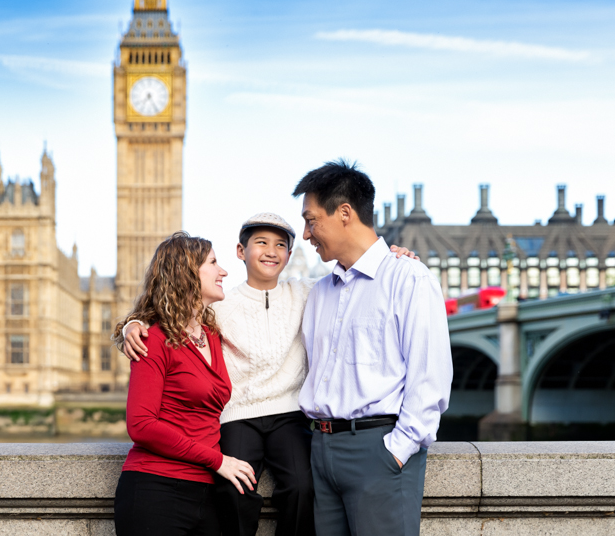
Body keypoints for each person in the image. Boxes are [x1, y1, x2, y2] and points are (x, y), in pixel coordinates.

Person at [119, 214, 417, 536]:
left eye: (280, 245)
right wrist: (131, 325)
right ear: (240, 251)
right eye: (261, 242)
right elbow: (168, 309)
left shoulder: (310, 293)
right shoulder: (219, 305)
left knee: (304, 487)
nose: (271, 251)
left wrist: (390, 261)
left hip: (288, 412)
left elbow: (354, 281)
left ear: (290, 256)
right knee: (234, 490)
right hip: (239, 414)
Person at [293, 160, 453, 536]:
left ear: (344, 213)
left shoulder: (408, 278)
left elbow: (430, 378)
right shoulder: (318, 293)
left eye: (311, 220)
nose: (305, 234)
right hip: (321, 448)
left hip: (377, 448)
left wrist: (396, 451)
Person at [113, 231, 257, 536]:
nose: (224, 271)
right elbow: (140, 425)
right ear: (187, 272)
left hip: (206, 492)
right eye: (214, 263)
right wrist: (218, 460)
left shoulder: (212, 334)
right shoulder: (153, 338)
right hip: (156, 489)